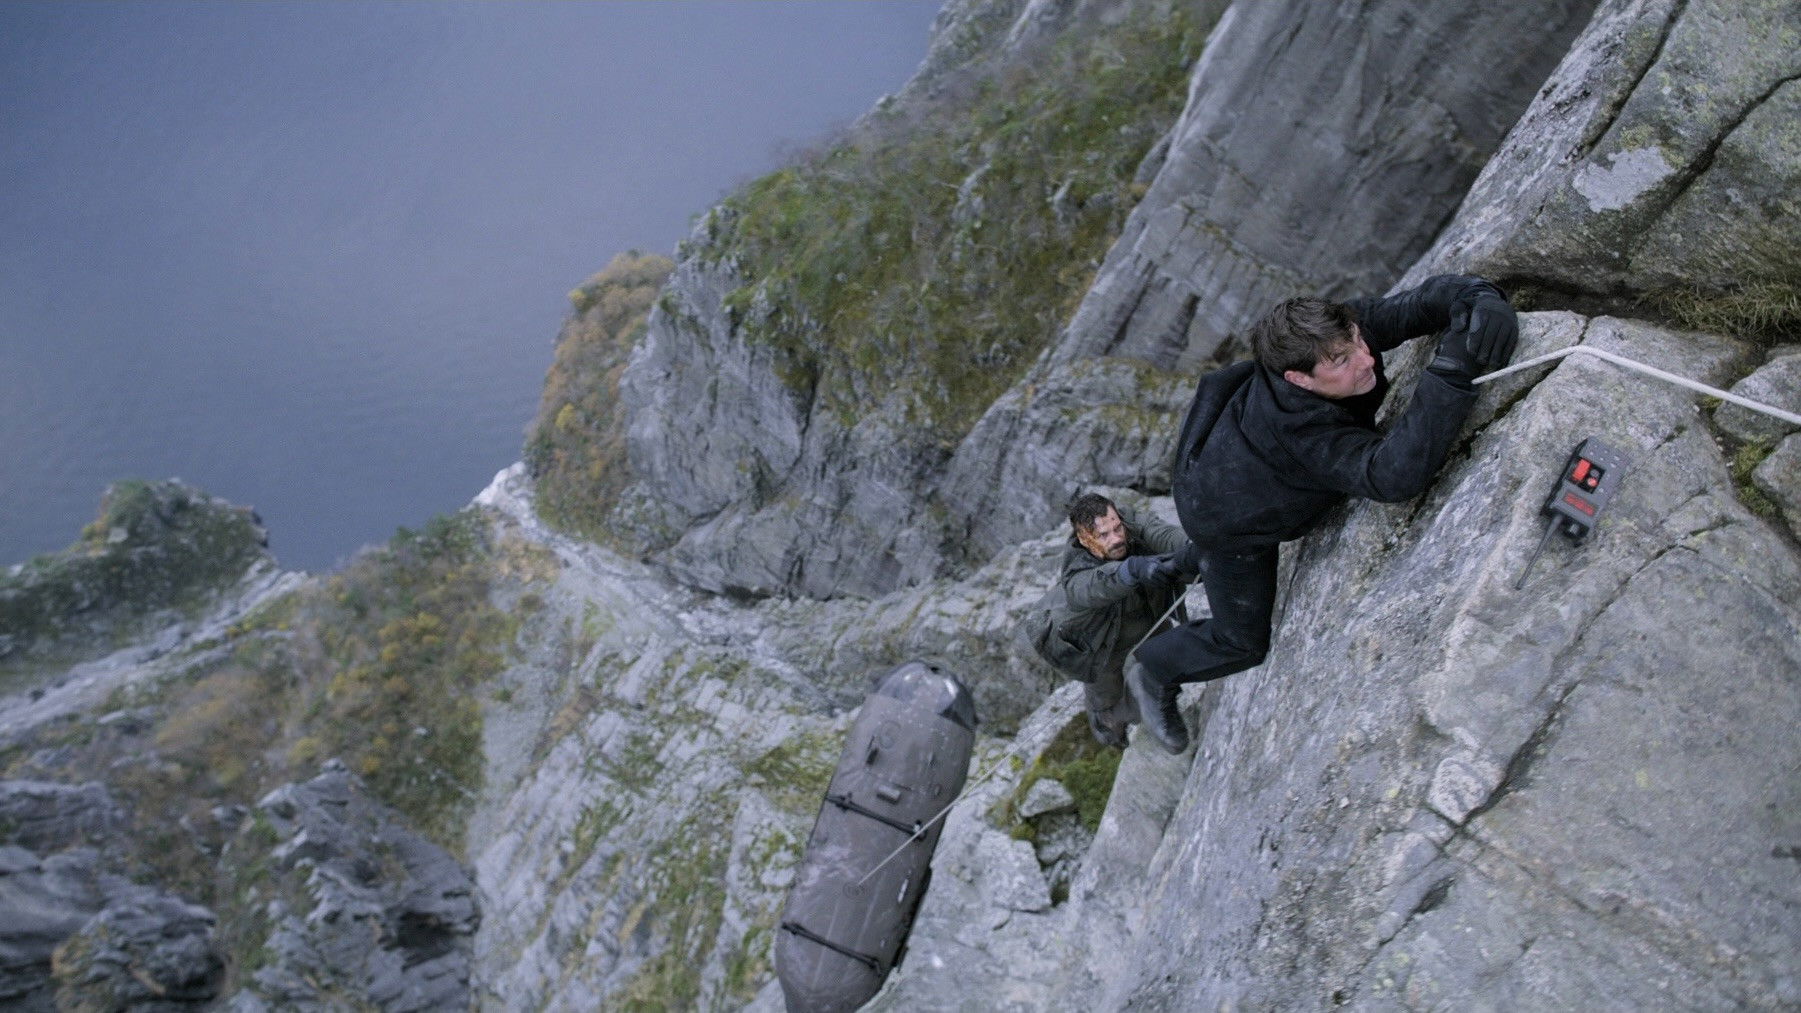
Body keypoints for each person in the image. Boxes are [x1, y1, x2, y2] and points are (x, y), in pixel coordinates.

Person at [1126, 274, 1519, 754]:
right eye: (1342, 362)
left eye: (1357, 343)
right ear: (1299, 379)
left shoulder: (1333, 337)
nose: (1365, 358)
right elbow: (1391, 476)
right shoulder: (1301, 432)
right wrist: (1454, 371)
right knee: (1242, 642)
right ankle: (1153, 669)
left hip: (1228, 465)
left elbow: (1416, 306)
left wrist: (1478, 296)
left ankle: (1186, 562)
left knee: (1207, 557)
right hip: (1225, 520)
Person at [1057, 493, 1192, 748]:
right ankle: (1111, 731)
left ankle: (1162, 707)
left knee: (1163, 675)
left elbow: (1161, 534)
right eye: (1103, 535)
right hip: (1104, 644)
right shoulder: (1076, 572)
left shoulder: (1132, 523)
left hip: (1150, 618)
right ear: (1084, 540)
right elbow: (1093, 586)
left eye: (1117, 528)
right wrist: (1132, 570)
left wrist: (1192, 545)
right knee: (1108, 708)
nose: (1116, 538)